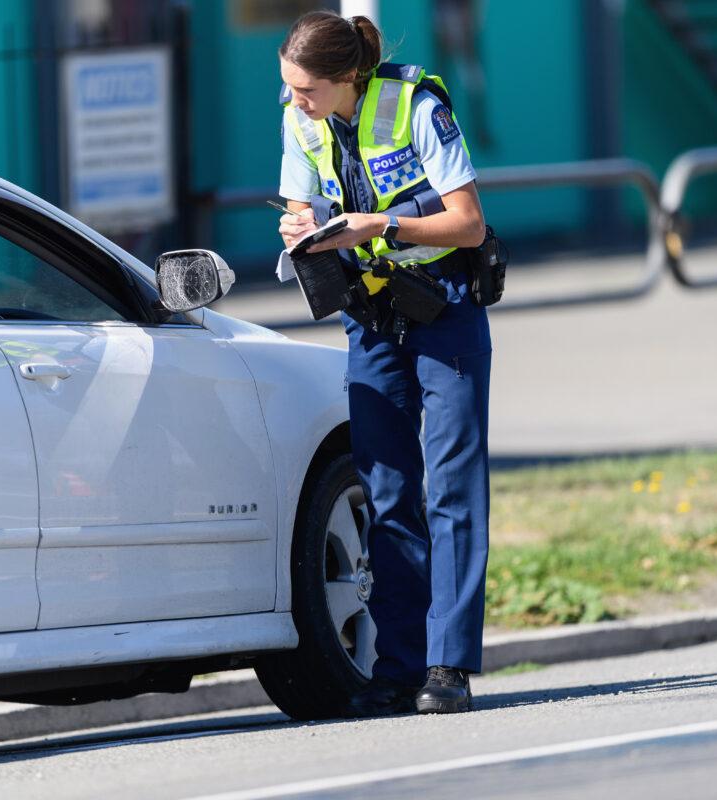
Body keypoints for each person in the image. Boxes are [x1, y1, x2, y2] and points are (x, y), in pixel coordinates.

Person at [276, 10, 492, 715]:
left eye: (306, 89)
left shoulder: (415, 106)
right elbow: (299, 205)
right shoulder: (301, 121)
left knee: (451, 489)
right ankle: (398, 668)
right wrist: (300, 227)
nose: (294, 101)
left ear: (346, 79)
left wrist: (384, 225)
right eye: (289, 87)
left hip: (442, 306)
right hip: (369, 316)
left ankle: (448, 668)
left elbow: (469, 222)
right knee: (388, 488)